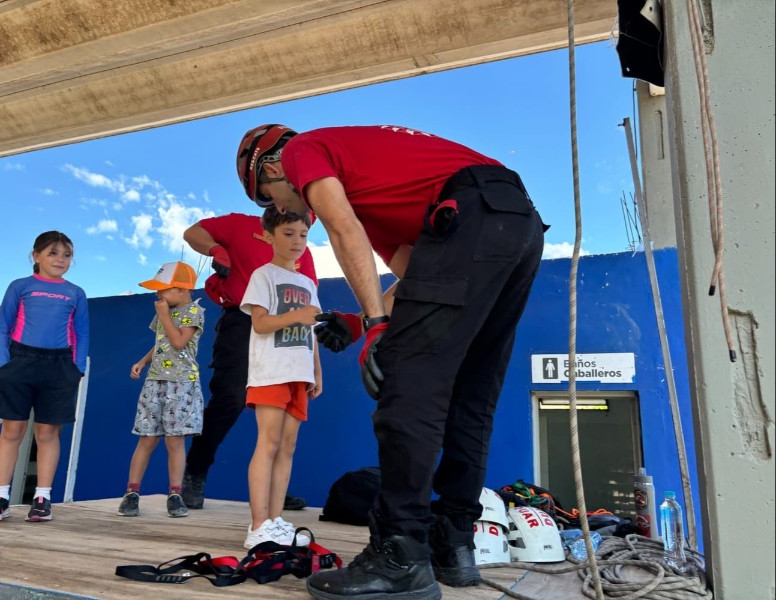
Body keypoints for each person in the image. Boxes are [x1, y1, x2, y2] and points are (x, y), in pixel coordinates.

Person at [236, 124, 547, 599]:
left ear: (272, 166)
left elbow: (342, 229)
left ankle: (398, 552)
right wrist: (362, 322)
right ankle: (454, 542)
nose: (279, 206)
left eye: (268, 194)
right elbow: (419, 281)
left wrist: (379, 326)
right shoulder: (383, 200)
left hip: (470, 211)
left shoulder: (302, 149)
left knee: (408, 382)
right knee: (473, 389)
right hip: (516, 223)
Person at [181, 212, 317, 510]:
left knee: (281, 408)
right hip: (243, 322)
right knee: (230, 398)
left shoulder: (302, 250)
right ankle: (195, 470)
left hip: (286, 330)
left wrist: (314, 366)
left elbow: (308, 305)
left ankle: (274, 489)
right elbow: (192, 233)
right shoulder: (240, 223)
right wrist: (217, 250)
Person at [0, 231, 89, 523]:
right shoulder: (20, 286)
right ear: (36, 255)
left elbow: (81, 333)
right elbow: (2, 326)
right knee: (12, 431)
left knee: (47, 433)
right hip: (20, 362)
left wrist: (76, 368)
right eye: (53, 253)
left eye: (66, 255)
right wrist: (1, 365)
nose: (60, 260)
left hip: (59, 365)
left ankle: (42, 498)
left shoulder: (76, 292)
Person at [240, 207, 322, 548]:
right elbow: (260, 323)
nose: (297, 241)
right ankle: (257, 525)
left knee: (287, 447)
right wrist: (299, 316)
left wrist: (316, 371)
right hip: (271, 371)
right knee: (269, 443)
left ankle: (275, 521)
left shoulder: (308, 283)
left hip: (299, 373)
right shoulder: (264, 275)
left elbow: (312, 332)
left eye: (302, 235)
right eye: (288, 233)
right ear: (270, 236)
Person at [117, 261, 205, 518]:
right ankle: (132, 493)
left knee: (174, 440)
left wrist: (165, 315)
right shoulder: (164, 311)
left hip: (182, 383)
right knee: (147, 438)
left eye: (162, 290)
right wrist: (143, 362)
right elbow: (162, 342)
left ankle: (175, 494)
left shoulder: (193, 312)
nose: (158, 295)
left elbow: (178, 342)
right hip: (155, 381)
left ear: (181, 289)